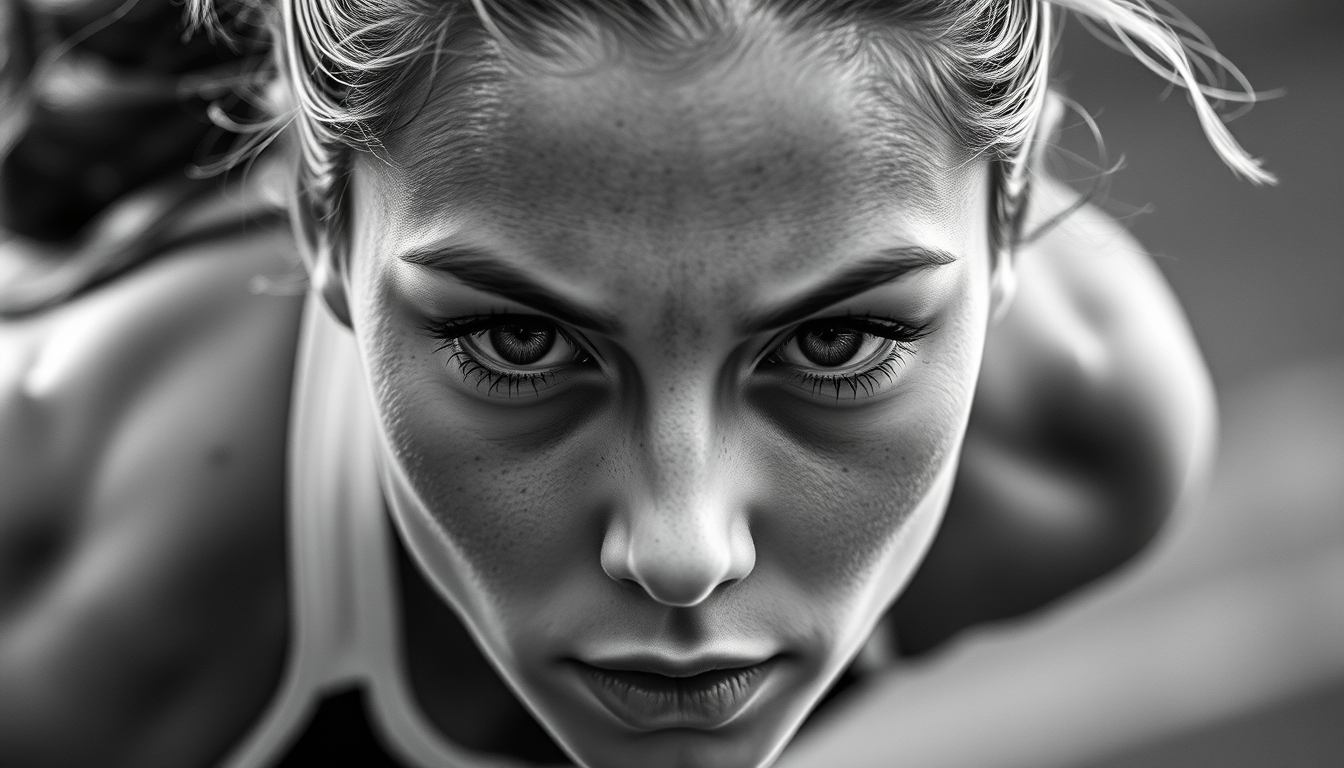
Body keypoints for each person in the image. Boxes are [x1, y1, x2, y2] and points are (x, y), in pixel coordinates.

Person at [0, 0, 1267, 766]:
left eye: (833, 347)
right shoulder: (63, 590)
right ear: (324, 226)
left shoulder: (1077, 443)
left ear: (1009, 222)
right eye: (520, 344)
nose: (681, 552)